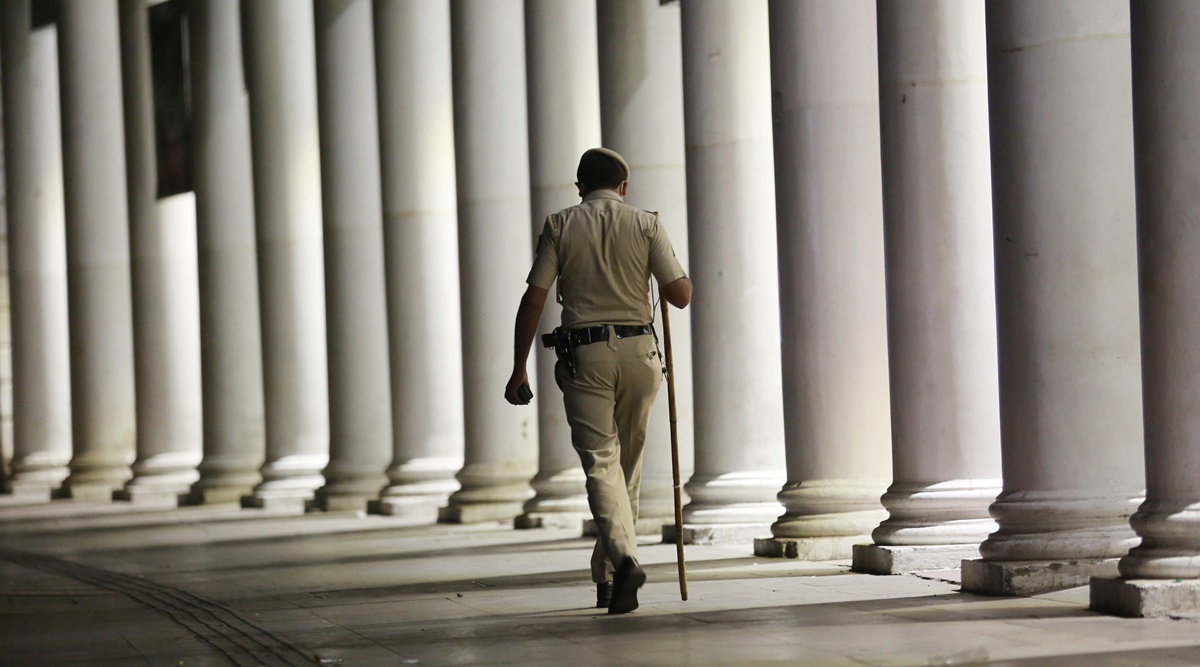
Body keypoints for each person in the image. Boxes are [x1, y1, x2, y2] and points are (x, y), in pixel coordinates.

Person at [505, 147, 692, 615]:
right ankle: (608, 577)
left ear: (580, 186)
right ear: (624, 187)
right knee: (624, 466)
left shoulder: (560, 224)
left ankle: (623, 561)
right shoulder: (646, 223)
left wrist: (518, 367)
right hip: (639, 352)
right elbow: (681, 295)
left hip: (585, 356)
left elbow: (534, 300)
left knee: (601, 464)